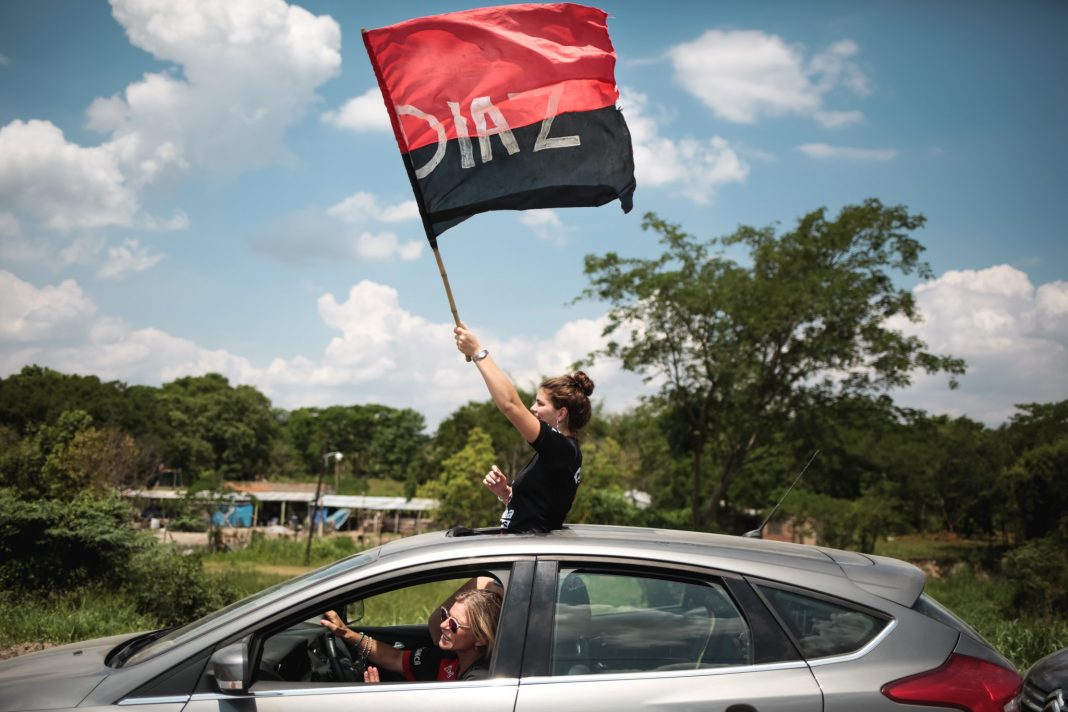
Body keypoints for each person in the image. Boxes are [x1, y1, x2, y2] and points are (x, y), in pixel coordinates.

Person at [453, 322, 595, 532]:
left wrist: (477, 352)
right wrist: (507, 493)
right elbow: (540, 510)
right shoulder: (560, 453)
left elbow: (511, 405)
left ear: (561, 413)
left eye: (540, 403)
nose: (532, 408)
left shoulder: (561, 449)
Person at [320, 586, 502, 683]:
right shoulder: (447, 658)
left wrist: (377, 703)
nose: (443, 624)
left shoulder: (478, 681)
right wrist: (346, 633)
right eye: (445, 615)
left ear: (480, 639)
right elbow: (396, 658)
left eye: (454, 624)